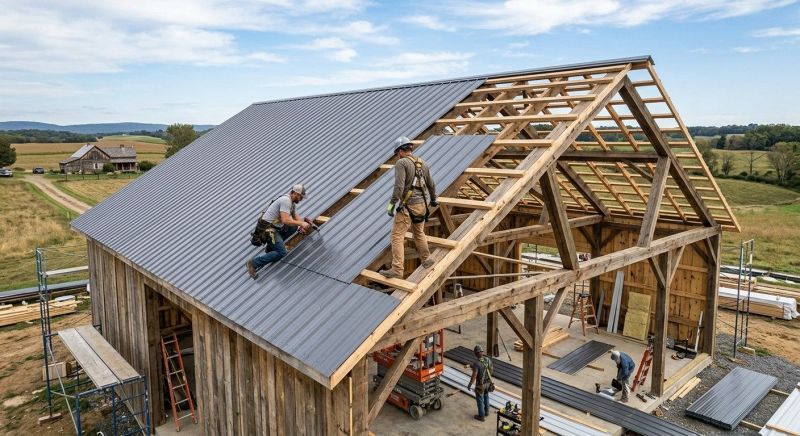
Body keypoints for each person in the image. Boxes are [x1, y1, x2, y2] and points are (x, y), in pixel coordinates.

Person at [378, 136, 437, 279]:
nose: (397, 155)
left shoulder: (401, 163)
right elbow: (431, 183)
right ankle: (426, 258)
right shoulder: (422, 162)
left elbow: (399, 186)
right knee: (419, 233)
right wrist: (434, 198)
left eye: (397, 152)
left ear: (400, 151)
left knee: (396, 236)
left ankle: (397, 270)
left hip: (408, 205)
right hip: (422, 204)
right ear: (410, 148)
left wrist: (392, 203)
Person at [245, 184, 311, 278]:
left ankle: (271, 248)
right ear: (296, 194)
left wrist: (302, 225)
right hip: (268, 230)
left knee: (293, 227)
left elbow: (294, 215)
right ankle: (253, 263)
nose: (301, 199)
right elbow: (285, 220)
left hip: (275, 228)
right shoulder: (286, 201)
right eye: (301, 197)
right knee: (282, 252)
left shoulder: (290, 202)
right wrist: (301, 224)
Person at [467, 344, 493, 422]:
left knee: (480, 400)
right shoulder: (488, 360)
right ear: (482, 352)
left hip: (480, 385)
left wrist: (470, 384)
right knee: (486, 396)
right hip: (488, 383)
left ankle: (481, 416)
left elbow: (474, 375)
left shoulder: (476, 363)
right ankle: (487, 412)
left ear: (476, 353)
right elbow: (491, 369)